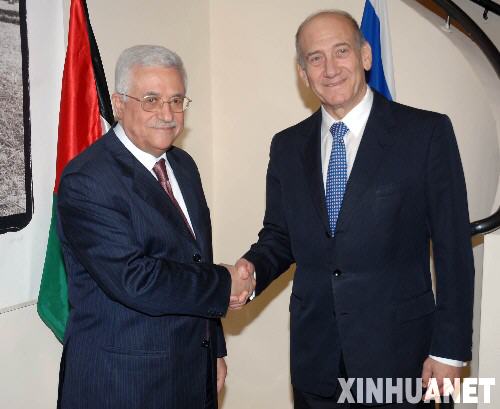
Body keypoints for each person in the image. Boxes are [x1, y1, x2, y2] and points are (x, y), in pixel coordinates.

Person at [231, 10, 474, 408]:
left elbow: (454, 250)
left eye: (341, 51)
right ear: (302, 72)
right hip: (317, 363)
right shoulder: (287, 146)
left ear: (365, 55)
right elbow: (280, 235)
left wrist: (449, 350)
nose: (330, 69)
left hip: (402, 360)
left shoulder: (425, 134)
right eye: (315, 58)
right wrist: (251, 272)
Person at [56, 45, 254, 409]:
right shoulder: (88, 180)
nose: (167, 114)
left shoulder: (183, 166)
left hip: (191, 371)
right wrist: (224, 282)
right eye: (151, 100)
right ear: (118, 104)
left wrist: (213, 350)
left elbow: (195, 260)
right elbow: (136, 279)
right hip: (123, 384)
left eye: (176, 100)